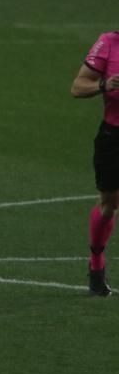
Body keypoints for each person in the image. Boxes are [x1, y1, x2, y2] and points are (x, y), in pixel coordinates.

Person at [71, 31, 119, 295]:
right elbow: (77, 87)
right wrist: (104, 85)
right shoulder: (109, 43)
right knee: (109, 205)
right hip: (114, 137)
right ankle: (96, 264)